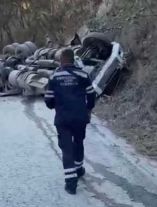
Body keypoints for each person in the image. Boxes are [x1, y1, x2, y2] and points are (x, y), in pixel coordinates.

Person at [44, 49, 96, 195]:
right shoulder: (83, 75)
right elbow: (92, 94)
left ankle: (71, 183)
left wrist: (57, 105)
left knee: (66, 148)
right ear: (73, 60)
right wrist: (88, 109)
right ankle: (79, 169)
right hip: (80, 117)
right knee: (79, 143)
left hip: (63, 119)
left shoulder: (54, 76)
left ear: (61, 60)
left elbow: (48, 100)